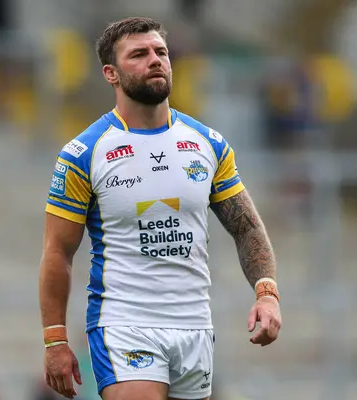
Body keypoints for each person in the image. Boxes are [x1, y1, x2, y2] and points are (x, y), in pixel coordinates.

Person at [39, 17, 282, 400]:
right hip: (123, 324)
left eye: (161, 52)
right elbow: (58, 252)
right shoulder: (84, 154)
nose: (155, 60)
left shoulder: (207, 144)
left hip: (194, 326)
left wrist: (267, 293)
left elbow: (247, 226)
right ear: (111, 73)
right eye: (139, 54)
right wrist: (55, 340)